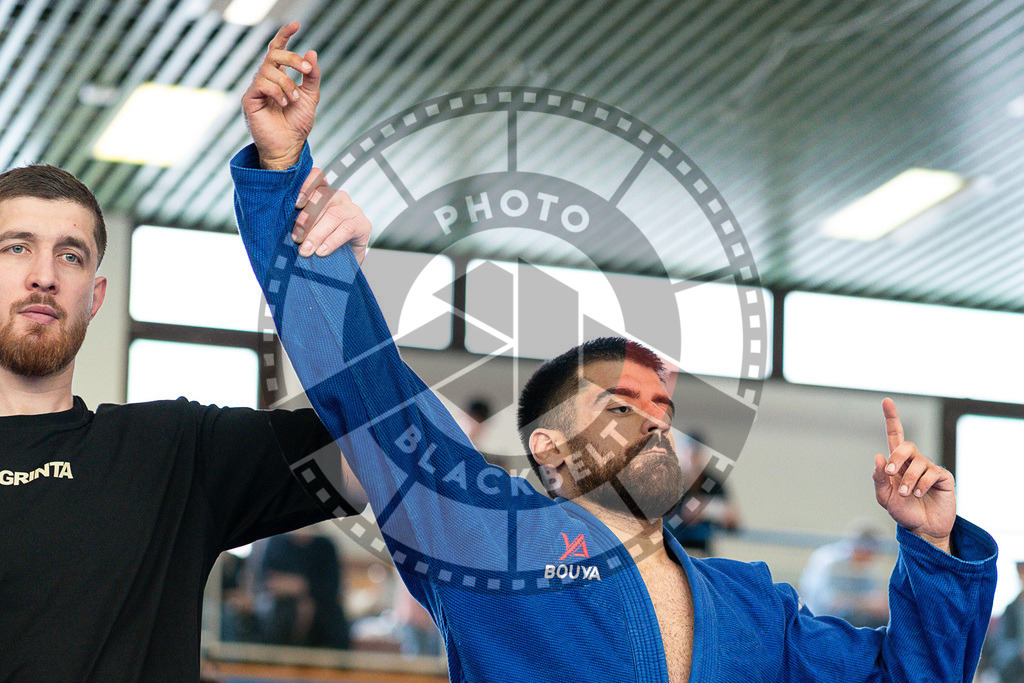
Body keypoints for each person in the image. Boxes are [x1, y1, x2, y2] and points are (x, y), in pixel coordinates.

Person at [232, 23, 998, 682]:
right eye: (620, 406)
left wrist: (932, 548)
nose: (655, 424)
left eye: (662, 410)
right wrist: (284, 178)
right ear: (551, 448)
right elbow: (368, 390)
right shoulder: (489, 538)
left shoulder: (754, 606)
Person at [0, 29, 367, 679]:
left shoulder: (170, 450)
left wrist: (334, 292)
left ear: (96, 294)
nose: (43, 275)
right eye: (15, 247)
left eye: (71, 254)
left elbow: (374, 457)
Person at [251, 528, 349, 648]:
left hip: (322, 616)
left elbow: (331, 586)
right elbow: (267, 581)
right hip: (282, 613)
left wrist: (301, 587)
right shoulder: (277, 542)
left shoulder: (325, 545)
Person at [799, 522, 891, 628]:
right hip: (821, 622)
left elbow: (877, 602)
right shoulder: (830, 561)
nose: (872, 558)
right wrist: (865, 604)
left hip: (851, 621)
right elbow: (827, 603)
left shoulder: (867, 568)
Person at [665, 430, 741, 556]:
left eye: (696, 454)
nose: (692, 459)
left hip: (701, 553)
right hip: (671, 551)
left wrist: (705, 510)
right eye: (689, 453)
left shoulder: (712, 483)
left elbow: (733, 520)